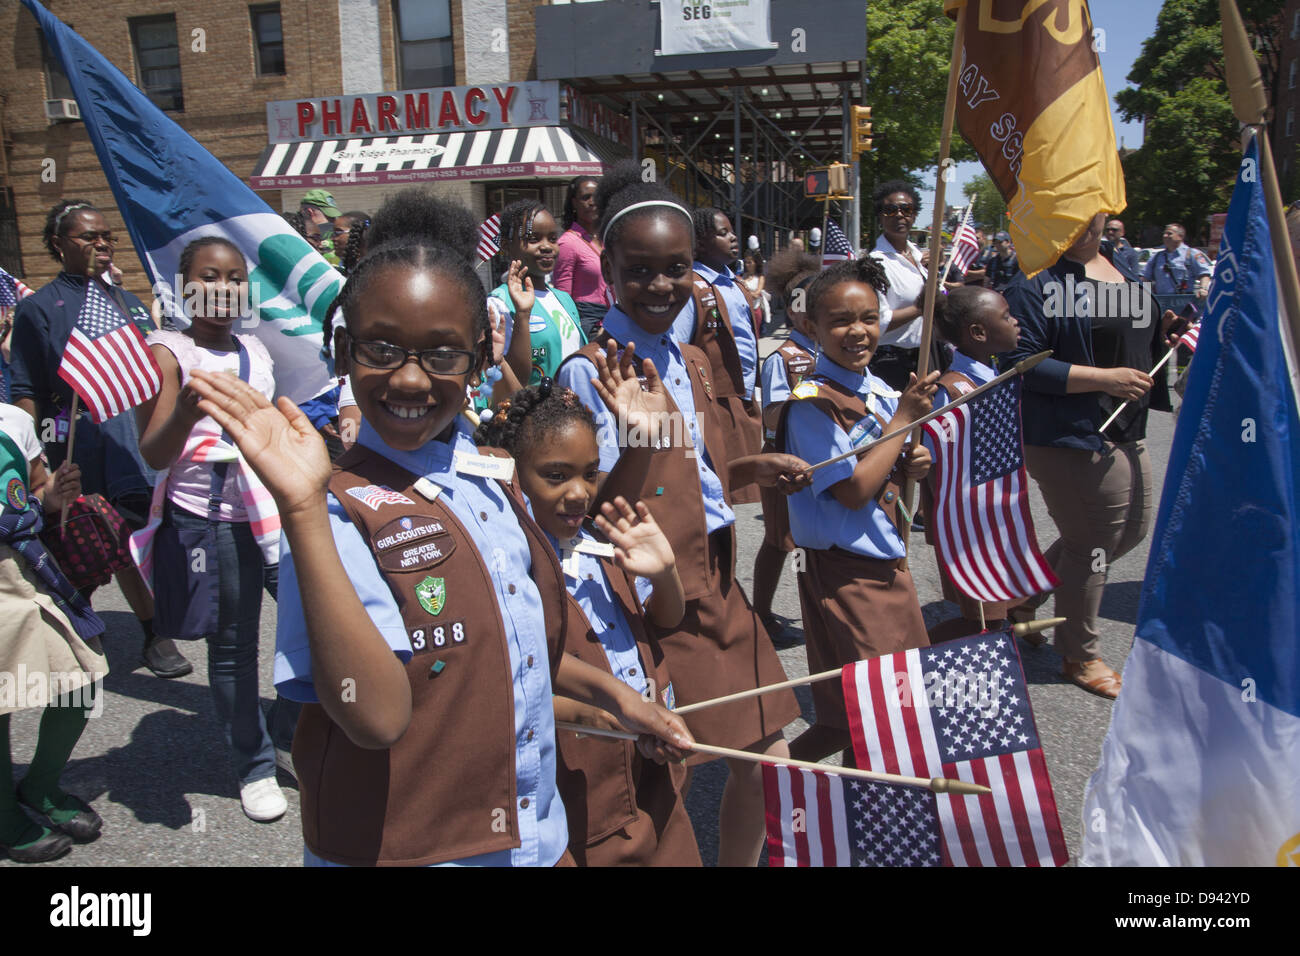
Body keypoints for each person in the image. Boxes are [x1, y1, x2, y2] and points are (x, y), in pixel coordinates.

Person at [186, 221, 692, 867]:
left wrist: (624, 703)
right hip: (414, 846)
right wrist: (303, 508)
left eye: (443, 354)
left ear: (480, 358)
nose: (410, 380)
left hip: (532, 835)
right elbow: (372, 717)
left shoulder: (489, 479)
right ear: (342, 349)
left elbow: (516, 642)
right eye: (381, 349)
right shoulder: (336, 513)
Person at [555, 162, 810, 866]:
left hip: (715, 578)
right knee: (657, 774)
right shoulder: (594, 368)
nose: (662, 285)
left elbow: (695, 472)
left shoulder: (691, 357)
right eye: (639, 270)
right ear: (605, 265)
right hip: (653, 596)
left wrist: (752, 469)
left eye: (678, 268)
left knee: (768, 757)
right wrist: (636, 439)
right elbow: (584, 510)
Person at [474, 382, 700, 866]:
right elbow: (517, 683)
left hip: (652, 769)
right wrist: (608, 717)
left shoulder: (601, 539)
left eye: (590, 474)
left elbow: (665, 619)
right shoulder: (508, 568)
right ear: (512, 477)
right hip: (581, 782)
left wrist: (666, 575)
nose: (579, 493)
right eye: (555, 476)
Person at [133, 237, 294, 821]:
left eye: (233, 278)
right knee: (233, 648)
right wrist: (185, 411)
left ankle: (285, 725)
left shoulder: (256, 350)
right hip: (208, 522)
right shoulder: (167, 352)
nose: (223, 288)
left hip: (270, 514)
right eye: (209, 276)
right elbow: (153, 451)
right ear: (184, 286)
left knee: (314, 627)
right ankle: (252, 765)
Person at [8, 200, 191, 680]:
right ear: (58, 244)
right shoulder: (37, 309)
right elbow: (26, 390)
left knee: (130, 535)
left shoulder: (128, 303)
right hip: (72, 442)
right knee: (79, 540)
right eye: (89, 236)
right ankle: (86, 631)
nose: (102, 244)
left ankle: (151, 631)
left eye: (107, 236)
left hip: (131, 441)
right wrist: (30, 464)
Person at [1003, 212, 1182, 699]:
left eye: (1095, 212)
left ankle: (1023, 598)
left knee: (1129, 530)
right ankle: (1079, 653)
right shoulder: (1036, 281)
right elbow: (1021, 363)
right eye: (1074, 213)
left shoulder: (1123, 266)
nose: (1088, 223)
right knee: (1092, 542)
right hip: (1069, 433)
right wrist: (1105, 379)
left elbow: (1130, 334)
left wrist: (1161, 330)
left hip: (1126, 426)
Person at [776, 256, 938, 764]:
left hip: (887, 565)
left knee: (860, 716)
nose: (858, 331)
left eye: (869, 317)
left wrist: (913, 461)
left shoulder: (880, 391)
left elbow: (888, 467)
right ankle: (769, 792)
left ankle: (790, 795)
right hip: (847, 576)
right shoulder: (811, 402)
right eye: (840, 321)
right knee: (878, 712)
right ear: (811, 327)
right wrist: (903, 422)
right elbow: (851, 490)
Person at [0, 408, 105, 863]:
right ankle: (3, 817)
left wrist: (56, 495)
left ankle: (39, 785)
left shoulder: (12, 421)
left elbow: (36, 491)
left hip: (25, 567)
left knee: (83, 679)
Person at [919, 286, 1032, 643]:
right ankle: (904, 654)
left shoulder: (993, 377)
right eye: (1006, 316)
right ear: (979, 333)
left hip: (997, 518)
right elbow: (930, 463)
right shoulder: (951, 392)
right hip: (969, 528)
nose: (1016, 322)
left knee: (997, 613)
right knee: (983, 621)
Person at [668, 207, 764, 504]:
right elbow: (679, 347)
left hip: (742, 393)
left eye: (732, 231)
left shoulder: (735, 283)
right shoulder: (693, 287)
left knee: (738, 485)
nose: (734, 238)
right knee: (717, 485)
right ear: (698, 244)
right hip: (714, 399)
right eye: (722, 233)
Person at [751, 249, 821, 642]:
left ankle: (813, 607)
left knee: (806, 539)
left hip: (817, 461)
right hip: (783, 462)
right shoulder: (784, 358)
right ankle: (762, 612)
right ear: (793, 311)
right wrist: (813, 398)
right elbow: (773, 414)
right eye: (808, 306)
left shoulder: (827, 352)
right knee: (781, 540)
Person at [487, 200, 585, 387]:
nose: (547, 246)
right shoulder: (499, 303)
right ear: (507, 246)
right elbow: (512, 380)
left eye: (553, 238)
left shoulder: (564, 299)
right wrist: (522, 315)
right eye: (533, 239)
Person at [868, 180, 930, 391]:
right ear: (880, 217)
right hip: (892, 362)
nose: (899, 215)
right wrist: (919, 308)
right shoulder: (875, 264)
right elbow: (878, 321)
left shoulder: (920, 258)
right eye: (890, 210)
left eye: (906, 209)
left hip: (927, 356)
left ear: (914, 215)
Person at [553, 176, 609, 339]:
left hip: (612, 322)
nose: (592, 202)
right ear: (574, 203)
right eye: (586, 197)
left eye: (597, 197)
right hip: (588, 327)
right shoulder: (567, 243)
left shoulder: (607, 239)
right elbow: (563, 297)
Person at [1143, 222, 1212, 314]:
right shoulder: (1156, 257)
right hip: (1162, 304)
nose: (1165, 236)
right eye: (1164, 233)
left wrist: (1203, 289)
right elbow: (1144, 278)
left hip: (1184, 303)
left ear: (1180, 236)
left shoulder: (1191, 254)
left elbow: (1204, 274)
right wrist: (1148, 294)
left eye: (1169, 233)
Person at [299, 189, 341, 266]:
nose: (334, 221)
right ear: (310, 212)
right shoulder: (295, 239)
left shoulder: (330, 236)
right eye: (329, 217)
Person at [741, 249, 770, 333]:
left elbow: (756, 294)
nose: (747, 265)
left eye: (749, 262)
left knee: (754, 335)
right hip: (743, 310)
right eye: (746, 262)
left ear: (756, 263)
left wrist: (744, 289)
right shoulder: (742, 276)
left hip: (755, 310)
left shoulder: (760, 277)